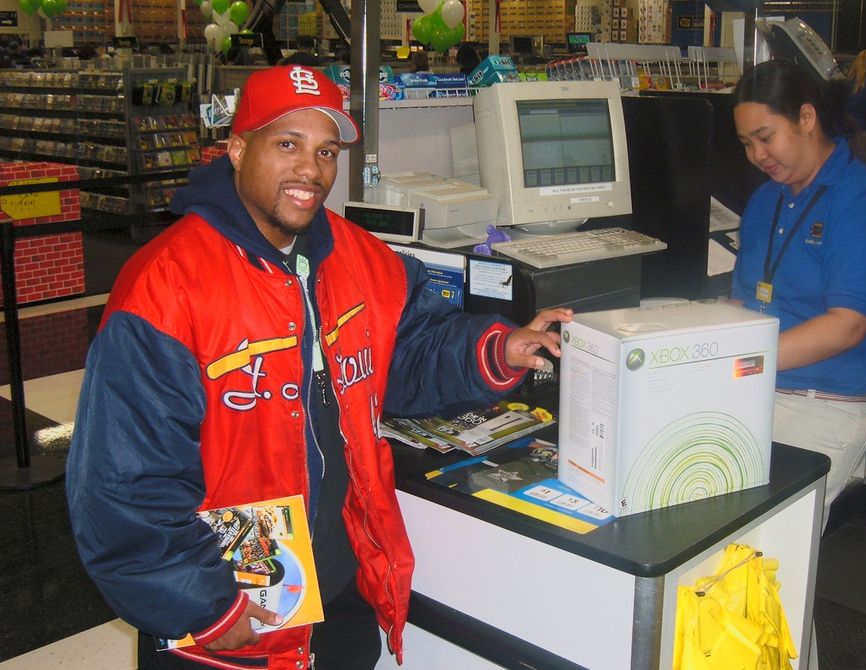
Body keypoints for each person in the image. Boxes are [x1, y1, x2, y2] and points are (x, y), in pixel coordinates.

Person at [65, 64, 572, 670]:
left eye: (326, 151)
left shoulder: (361, 258)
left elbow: (402, 353)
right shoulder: (165, 287)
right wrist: (199, 601)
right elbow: (123, 477)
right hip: (231, 606)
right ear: (236, 148)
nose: (311, 170)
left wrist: (494, 350)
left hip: (340, 586)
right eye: (287, 144)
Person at [729, 59, 866, 529]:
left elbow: (848, 325)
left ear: (806, 118)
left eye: (766, 137)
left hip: (825, 404)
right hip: (754, 393)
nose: (757, 154)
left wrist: (743, 358)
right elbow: (742, 303)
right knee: (728, 548)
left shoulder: (863, 201)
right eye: (747, 143)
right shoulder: (767, 198)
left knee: (767, 545)